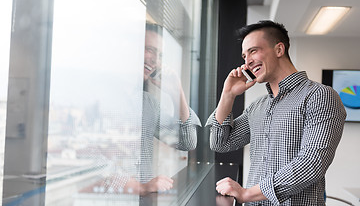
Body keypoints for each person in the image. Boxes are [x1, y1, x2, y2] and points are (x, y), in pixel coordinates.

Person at [206, 20, 346, 205]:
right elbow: (220, 144)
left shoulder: (320, 96)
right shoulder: (258, 107)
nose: (247, 61)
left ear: (279, 50)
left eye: (253, 51)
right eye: (244, 55)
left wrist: (248, 194)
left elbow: (312, 163)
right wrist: (228, 95)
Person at [112, 22, 201, 196]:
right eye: (150, 50)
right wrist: (141, 187)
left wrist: (177, 94)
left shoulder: (148, 104)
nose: (155, 60)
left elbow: (187, 142)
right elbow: (95, 166)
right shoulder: (107, 99)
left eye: (159, 54)